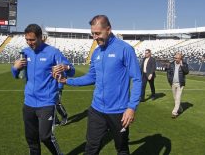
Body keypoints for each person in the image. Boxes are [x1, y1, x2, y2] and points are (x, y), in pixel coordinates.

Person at [55, 15, 142, 154]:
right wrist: (67, 81)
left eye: (98, 33)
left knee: (122, 149)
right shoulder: (96, 53)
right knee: (90, 148)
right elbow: (91, 77)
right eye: (93, 34)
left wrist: (131, 107)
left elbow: (137, 79)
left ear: (108, 29)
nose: (95, 37)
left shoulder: (125, 49)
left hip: (119, 111)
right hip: (97, 110)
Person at [11, 24, 75, 155]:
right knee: (31, 139)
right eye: (27, 40)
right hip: (28, 103)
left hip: (46, 102)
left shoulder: (53, 52)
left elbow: (71, 71)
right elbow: (17, 76)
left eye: (32, 40)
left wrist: (65, 67)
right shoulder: (25, 52)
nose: (30, 43)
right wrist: (15, 68)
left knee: (45, 137)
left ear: (41, 37)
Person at [166, 52, 189, 119]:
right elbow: (168, 73)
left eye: (177, 58)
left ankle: (174, 112)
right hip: (173, 83)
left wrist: (182, 65)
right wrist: (169, 81)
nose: (175, 59)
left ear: (180, 58)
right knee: (175, 98)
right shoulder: (171, 64)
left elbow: (186, 72)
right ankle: (180, 108)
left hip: (180, 84)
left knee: (178, 97)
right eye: (175, 58)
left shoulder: (184, 64)